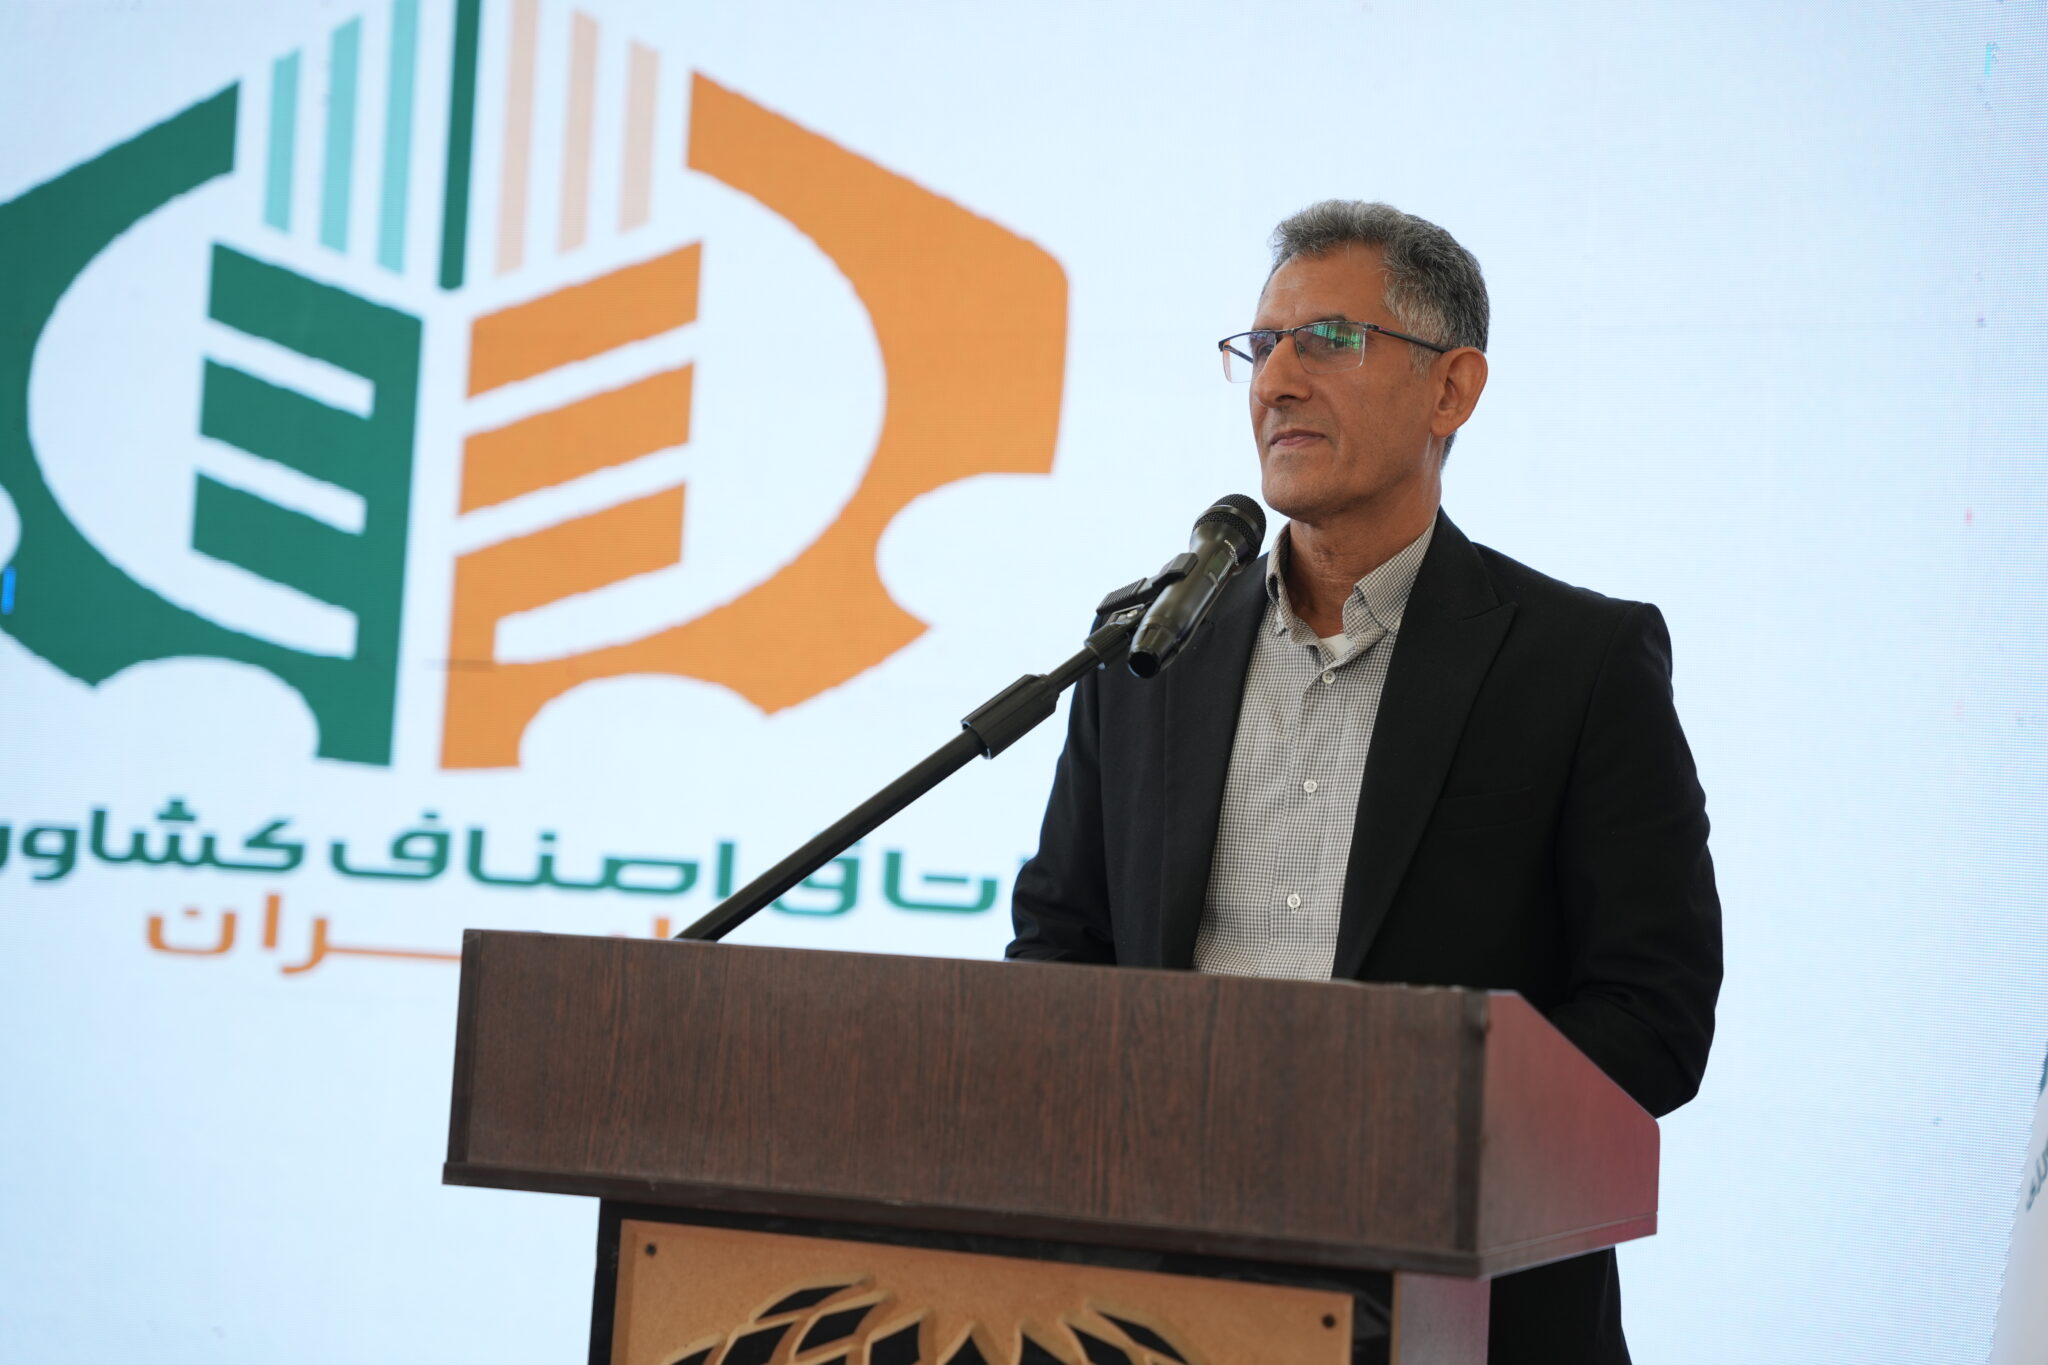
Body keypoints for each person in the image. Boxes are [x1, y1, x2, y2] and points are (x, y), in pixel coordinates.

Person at [1007, 200, 1723, 1364]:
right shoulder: (1147, 652)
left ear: (1451, 389)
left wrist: (1403, 1134)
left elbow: (1652, 1012)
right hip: (1153, 1303)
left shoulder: (1576, 663)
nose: (1276, 381)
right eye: (1260, 345)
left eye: (1328, 340)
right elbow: (1057, 947)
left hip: (1459, 1303)